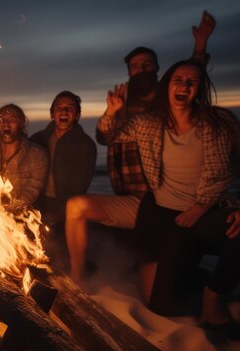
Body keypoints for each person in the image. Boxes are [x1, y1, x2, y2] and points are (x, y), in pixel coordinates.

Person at [66, 11, 217, 282]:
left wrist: (201, 43)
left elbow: (192, 75)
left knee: (161, 279)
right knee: (76, 207)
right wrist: (111, 112)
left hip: (161, 203)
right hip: (130, 199)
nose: (141, 69)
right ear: (129, 72)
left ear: (157, 69)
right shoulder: (121, 102)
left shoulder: (168, 99)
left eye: (147, 64)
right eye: (135, 66)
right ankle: (77, 280)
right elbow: (103, 137)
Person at [97, 60, 240, 325]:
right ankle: (196, 277)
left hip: (207, 212)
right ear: (168, 86)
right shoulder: (148, 124)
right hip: (170, 219)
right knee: (161, 305)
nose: (184, 85)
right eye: (178, 80)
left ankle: (214, 293)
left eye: (192, 81)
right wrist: (111, 112)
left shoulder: (220, 123)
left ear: (200, 89)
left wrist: (216, 207)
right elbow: (107, 136)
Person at [30, 91, 97, 227]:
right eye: (59, 108)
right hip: (38, 205)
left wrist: (59, 214)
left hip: (68, 207)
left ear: (77, 115)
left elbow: (80, 187)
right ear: (52, 114)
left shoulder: (85, 145)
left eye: (70, 108)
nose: (64, 111)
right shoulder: (37, 140)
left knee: (61, 246)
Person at [0, 104, 48, 214]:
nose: (6, 123)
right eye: (2, 119)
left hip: (23, 216)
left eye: (12, 119)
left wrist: (6, 210)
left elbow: (31, 192)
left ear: (21, 124)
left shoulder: (37, 154)